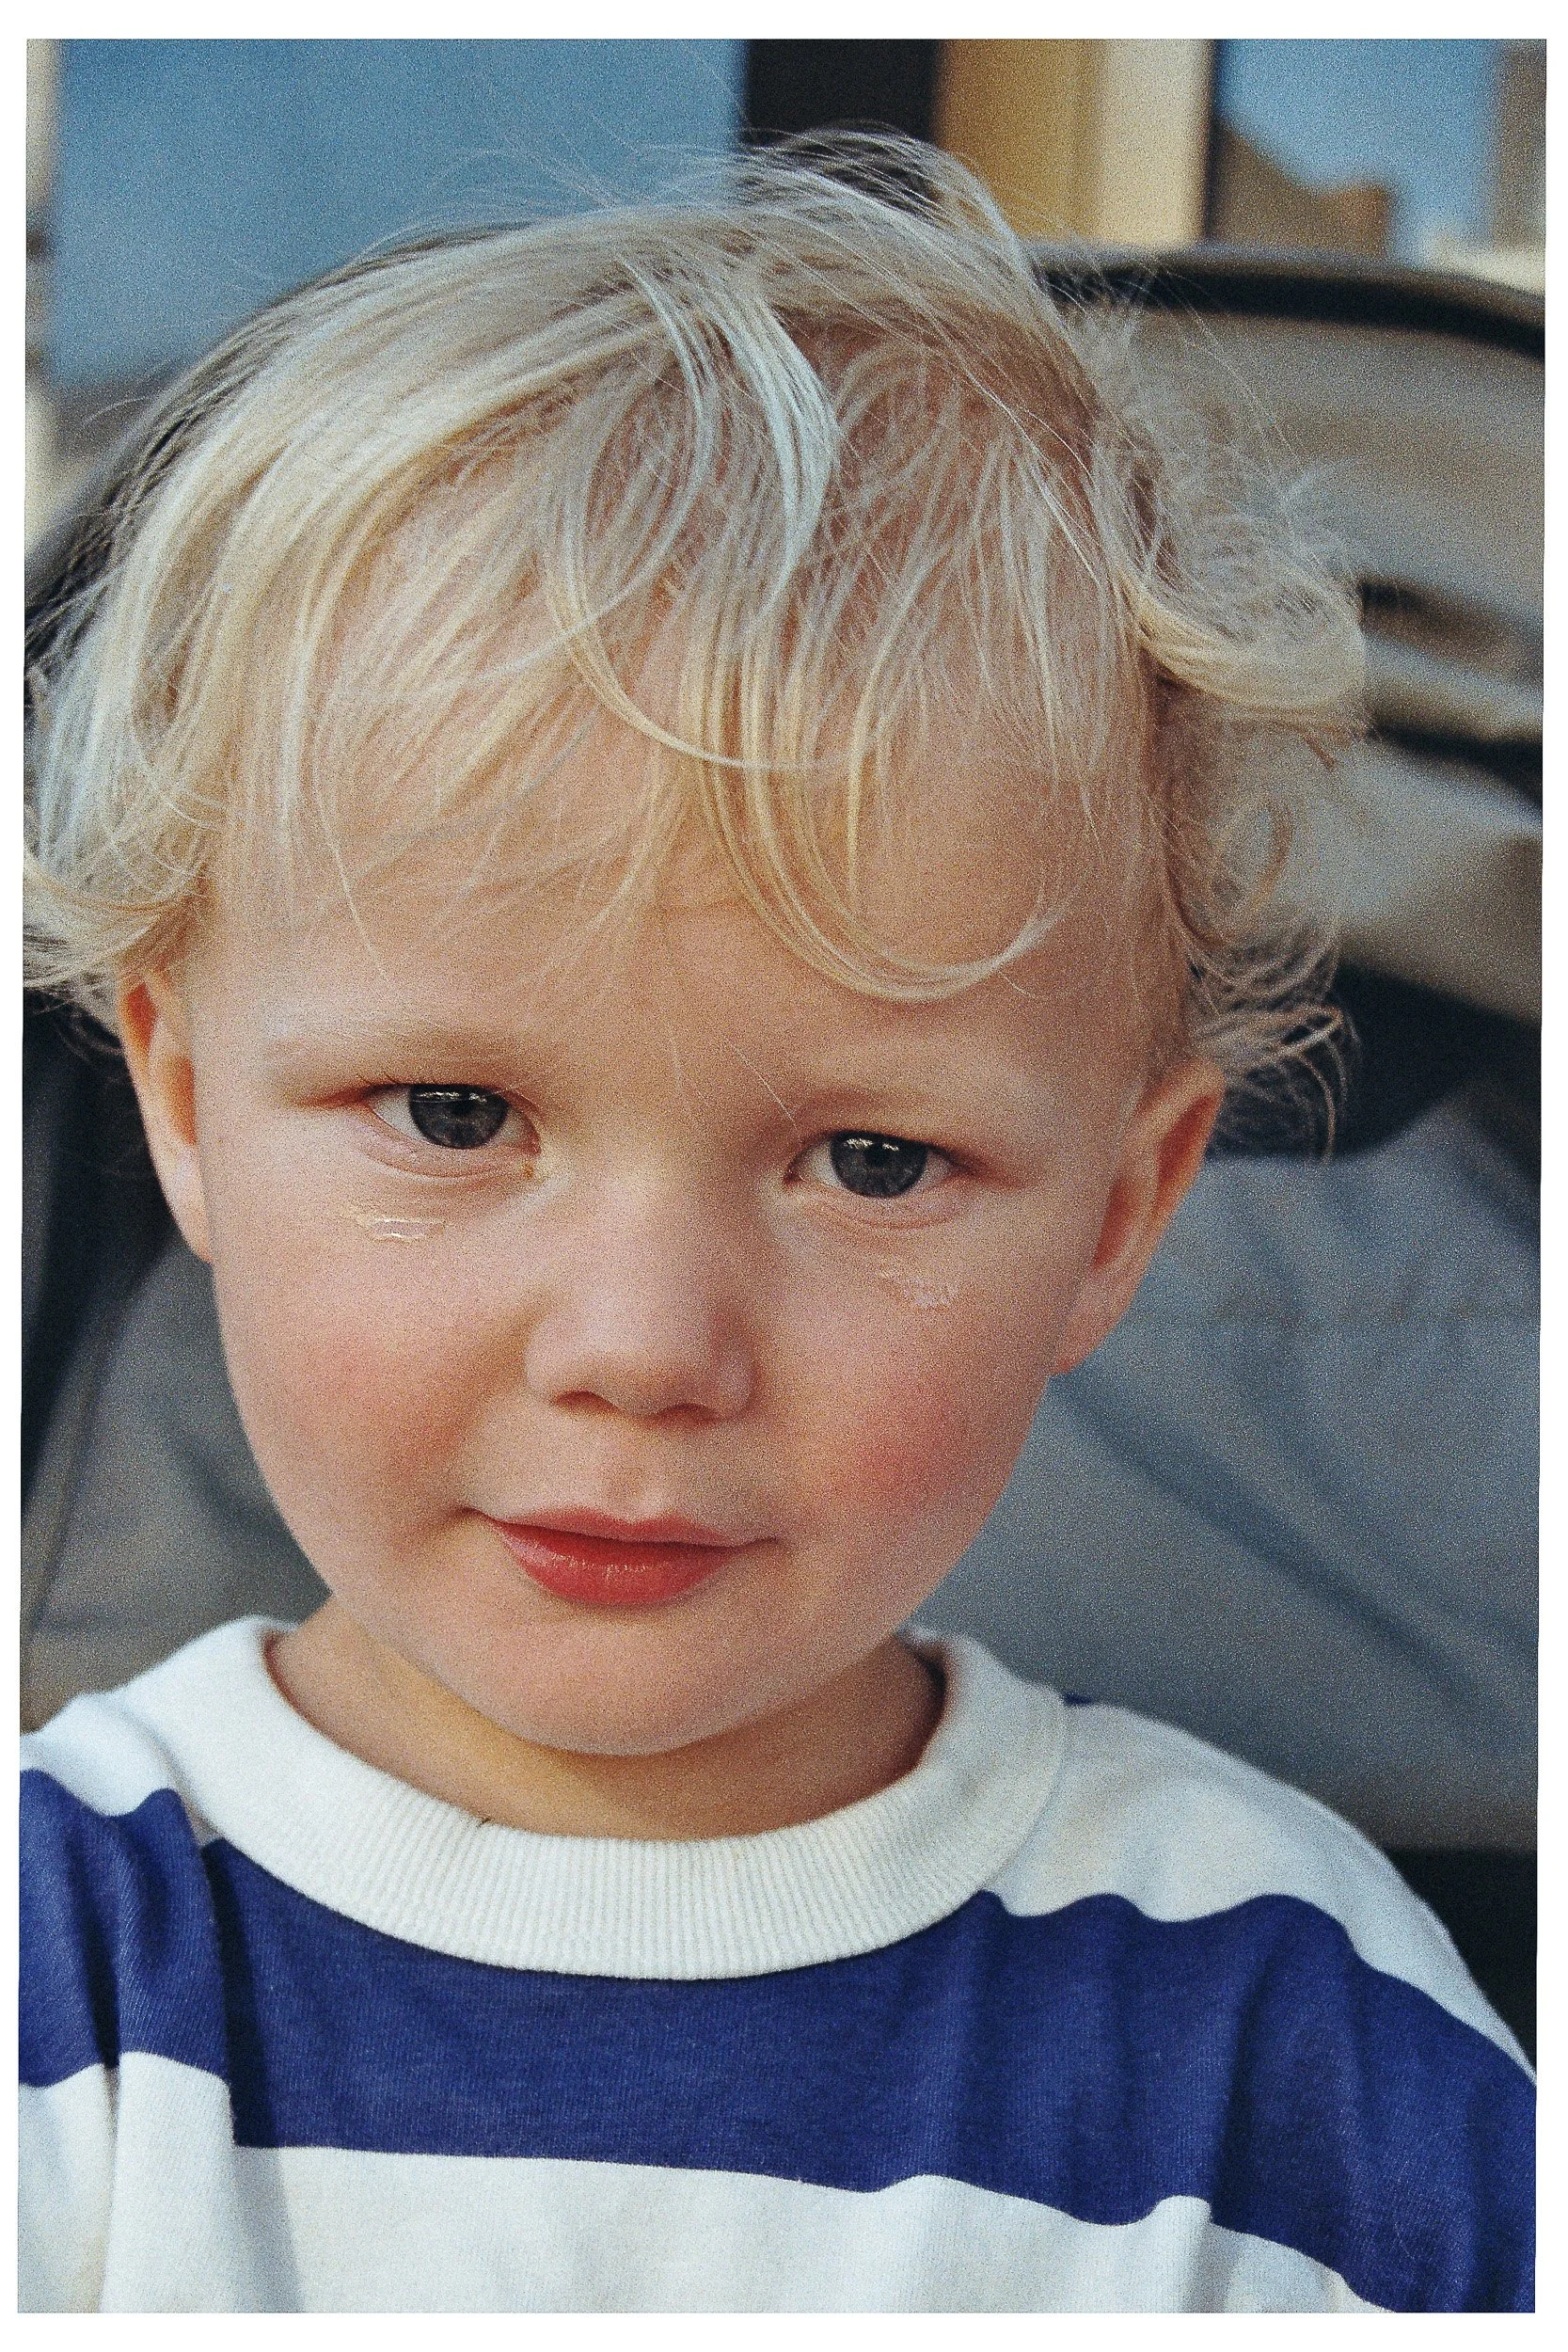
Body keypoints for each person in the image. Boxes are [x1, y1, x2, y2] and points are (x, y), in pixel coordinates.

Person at [20, 142, 1533, 2313]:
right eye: (457, 1112)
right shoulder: (61, 1985)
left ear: (1120, 1212)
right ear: (178, 1099)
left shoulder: (1294, 2043)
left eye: (870, 1158)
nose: (642, 1345)